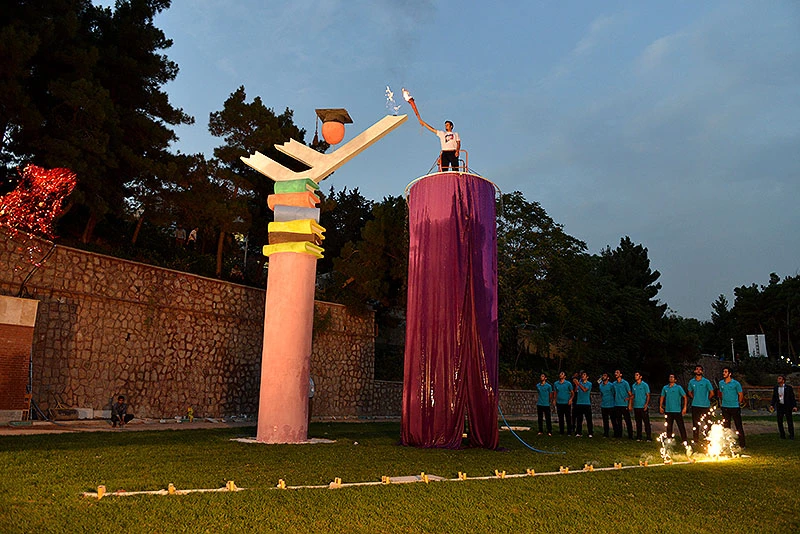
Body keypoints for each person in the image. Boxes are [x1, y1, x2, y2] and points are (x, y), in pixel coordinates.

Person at [687, 364, 715, 445]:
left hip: (705, 406)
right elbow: (689, 392)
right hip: (695, 405)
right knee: (695, 423)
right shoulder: (691, 382)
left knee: (708, 423)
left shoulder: (706, 381)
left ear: (702, 371)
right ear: (695, 371)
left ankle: (709, 439)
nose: (698, 370)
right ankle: (695, 440)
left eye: (700, 369)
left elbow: (712, 393)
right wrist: (694, 398)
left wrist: (706, 399)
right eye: (697, 369)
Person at [718, 366, 745, 448]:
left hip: (734, 407)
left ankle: (742, 444)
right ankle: (727, 444)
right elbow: (721, 394)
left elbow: (740, 394)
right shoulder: (721, 383)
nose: (723, 373)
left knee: (738, 425)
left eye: (725, 372)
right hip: (725, 407)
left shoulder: (736, 383)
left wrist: (738, 403)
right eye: (723, 371)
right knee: (726, 426)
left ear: (730, 373)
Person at [659, 373, 688, 443]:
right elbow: (662, 397)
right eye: (670, 377)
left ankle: (684, 440)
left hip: (677, 410)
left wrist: (684, 407)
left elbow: (685, 397)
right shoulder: (665, 388)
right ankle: (669, 439)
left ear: (675, 380)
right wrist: (660, 406)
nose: (671, 378)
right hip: (668, 410)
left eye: (672, 377)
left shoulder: (678, 388)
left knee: (681, 426)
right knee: (669, 426)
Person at [770, 374, 796, 439]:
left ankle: (791, 434)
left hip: (787, 406)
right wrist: (772, 405)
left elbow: (792, 397)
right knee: (779, 421)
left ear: (783, 380)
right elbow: (774, 397)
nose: (778, 380)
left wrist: (794, 406)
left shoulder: (789, 388)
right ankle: (782, 435)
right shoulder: (776, 388)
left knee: (789, 420)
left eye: (780, 378)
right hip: (780, 406)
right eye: (778, 378)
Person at [612, 369, 633, 439]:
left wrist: (629, 402)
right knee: (618, 421)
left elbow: (631, 395)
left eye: (617, 372)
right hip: (617, 404)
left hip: (624, 404)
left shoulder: (625, 383)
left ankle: (630, 435)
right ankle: (619, 434)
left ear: (620, 374)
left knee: (627, 420)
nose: (616, 373)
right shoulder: (614, 384)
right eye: (615, 372)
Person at [631, 371, 652, 441]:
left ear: (640, 376)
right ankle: (639, 436)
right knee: (638, 422)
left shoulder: (644, 385)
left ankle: (649, 437)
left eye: (637, 375)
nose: (635, 376)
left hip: (643, 406)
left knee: (646, 422)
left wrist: (646, 404)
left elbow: (648, 395)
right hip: (636, 406)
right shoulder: (634, 385)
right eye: (635, 375)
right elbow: (633, 395)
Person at [573, 371, 593, 437]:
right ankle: (578, 432)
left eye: (584, 375)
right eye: (582, 375)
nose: (582, 376)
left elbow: (584, 390)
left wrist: (578, 384)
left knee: (588, 419)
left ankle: (590, 432)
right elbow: (575, 391)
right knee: (579, 419)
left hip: (586, 403)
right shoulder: (579, 383)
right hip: (579, 403)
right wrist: (576, 384)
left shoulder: (589, 384)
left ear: (587, 377)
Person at [553, 371, 574, 435]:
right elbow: (555, 392)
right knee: (560, 417)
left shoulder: (568, 383)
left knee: (568, 417)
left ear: (564, 376)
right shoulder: (556, 383)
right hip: (559, 403)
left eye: (562, 374)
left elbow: (572, 392)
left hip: (566, 403)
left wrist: (571, 399)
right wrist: (554, 400)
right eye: (560, 374)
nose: (560, 375)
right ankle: (561, 431)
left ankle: (569, 432)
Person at [598, 372, 616, 438]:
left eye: (605, 376)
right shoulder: (601, 385)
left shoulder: (611, 385)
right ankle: (606, 433)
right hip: (604, 405)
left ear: (608, 377)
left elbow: (614, 393)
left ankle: (616, 433)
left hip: (611, 405)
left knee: (613, 420)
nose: (603, 377)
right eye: (603, 375)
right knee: (605, 421)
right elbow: (601, 394)